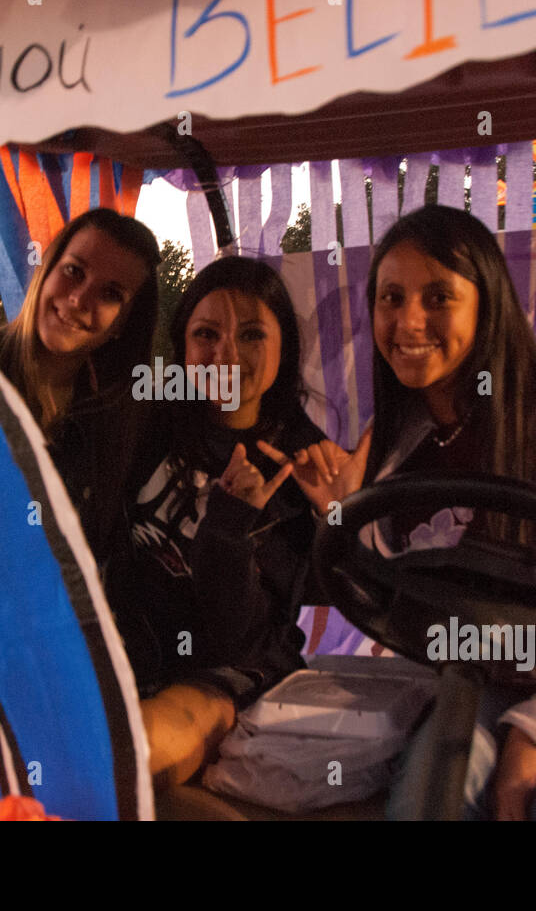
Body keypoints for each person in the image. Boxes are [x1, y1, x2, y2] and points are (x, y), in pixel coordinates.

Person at [265, 205, 536, 820]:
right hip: (488, 680)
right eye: (391, 298)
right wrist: (337, 518)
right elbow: (401, 602)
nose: (408, 320)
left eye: (438, 296)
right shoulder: (398, 442)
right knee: (431, 801)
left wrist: (533, 739)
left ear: (488, 306)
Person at [107, 255, 339, 786]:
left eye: (252, 335)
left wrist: (237, 522)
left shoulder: (300, 469)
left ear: (285, 348)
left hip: (226, 672)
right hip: (124, 647)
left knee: (136, 747)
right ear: (183, 347)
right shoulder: (143, 423)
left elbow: (238, 638)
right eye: (206, 334)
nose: (226, 355)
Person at [0, 207, 160, 566]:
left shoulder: (122, 417)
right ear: (47, 269)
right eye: (74, 271)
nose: (79, 299)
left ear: (123, 324)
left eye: (111, 293)